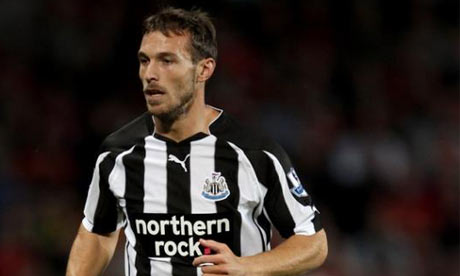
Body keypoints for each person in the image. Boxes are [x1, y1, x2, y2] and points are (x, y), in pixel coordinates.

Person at [66, 7, 327, 276]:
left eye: (167, 61)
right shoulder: (118, 153)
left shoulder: (254, 153)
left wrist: (248, 267)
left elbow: (313, 242)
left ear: (204, 69)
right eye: (145, 61)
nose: (150, 74)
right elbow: (97, 233)